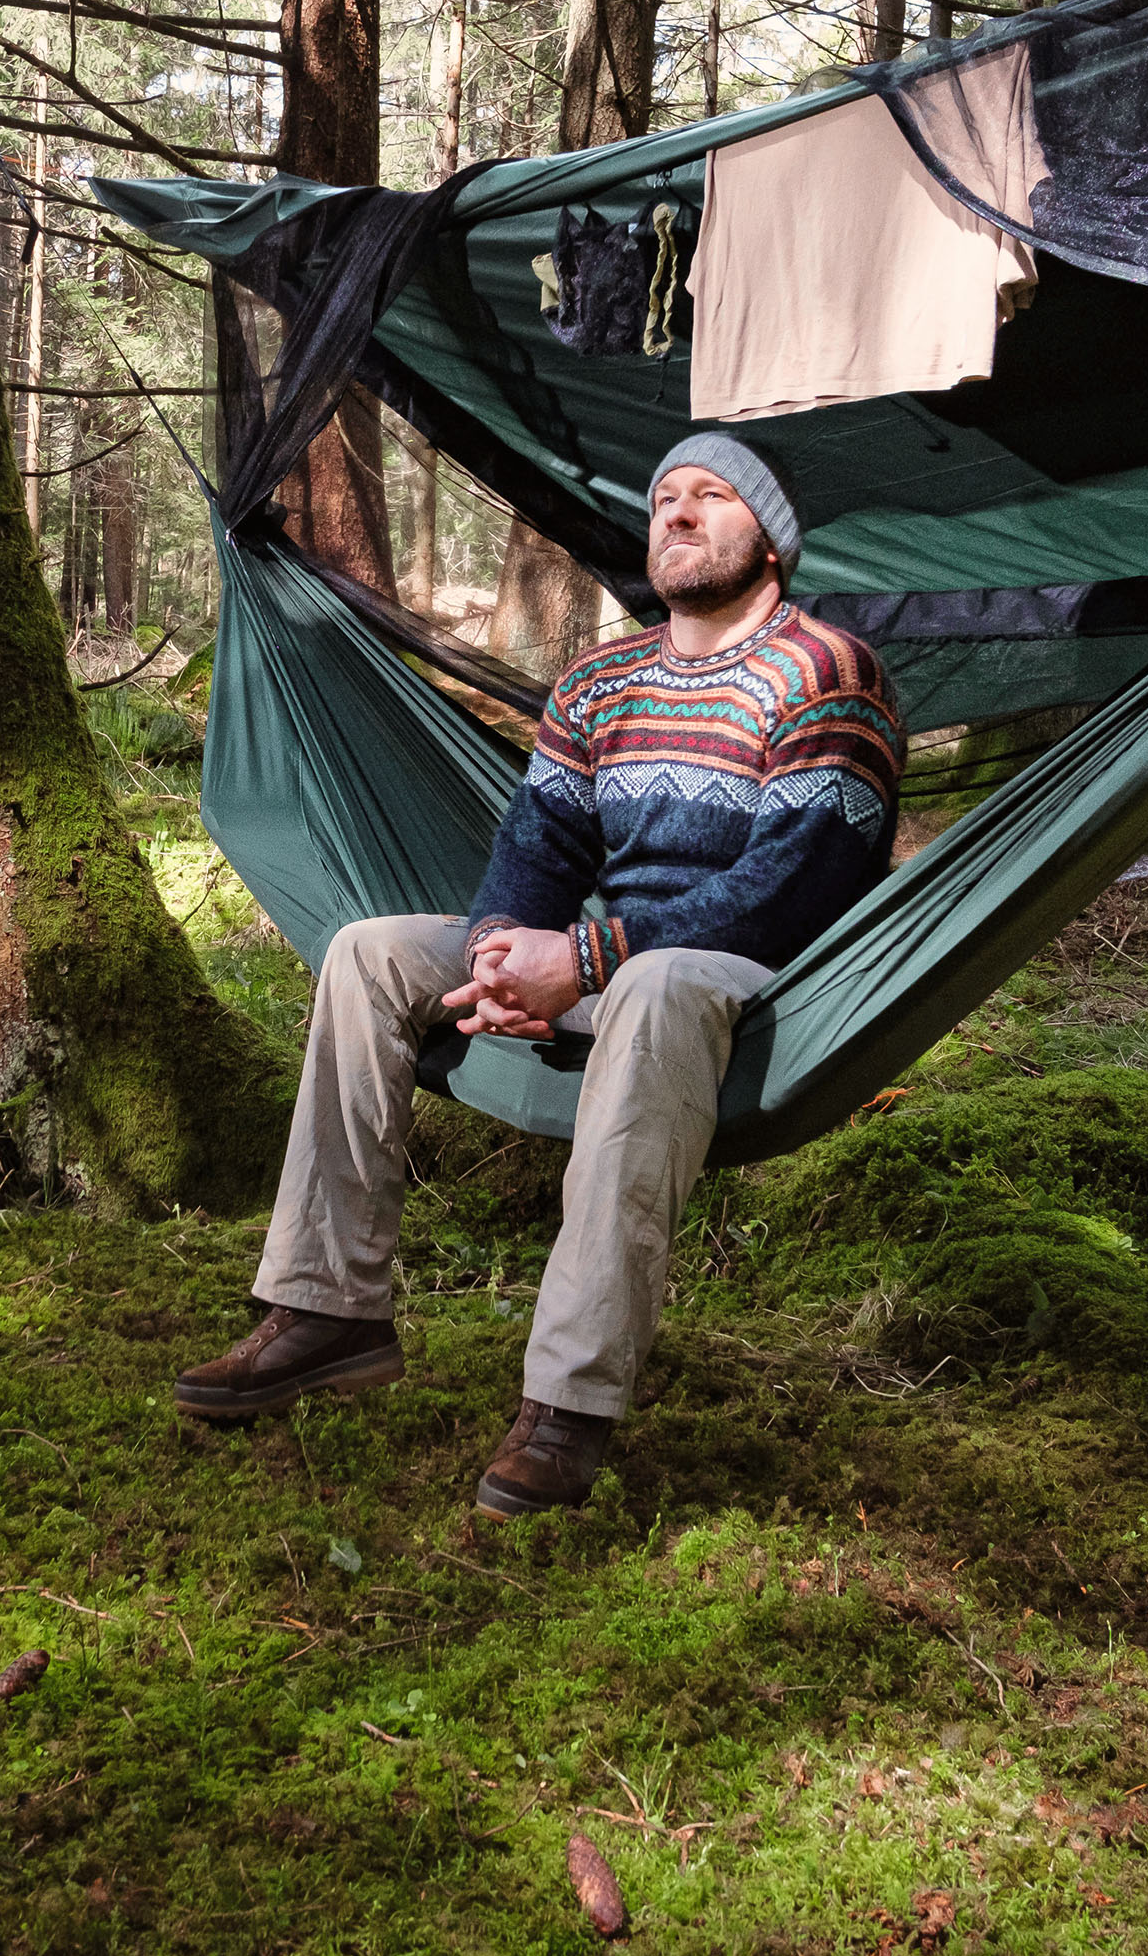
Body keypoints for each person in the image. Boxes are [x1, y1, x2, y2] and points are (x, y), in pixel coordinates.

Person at [174, 434, 906, 1514]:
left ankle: (569, 1402)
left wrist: (585, 958)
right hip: (607, 956)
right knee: (370, 951)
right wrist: (499, 954)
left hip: (760, 980)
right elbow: (539, 846)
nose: (678, 513)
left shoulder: (827, 672)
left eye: (712, 496)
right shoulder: (603, 682)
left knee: (653, 985)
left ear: (771, 542)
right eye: (664, 497)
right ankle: (328, 1309)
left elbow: (796, 886)